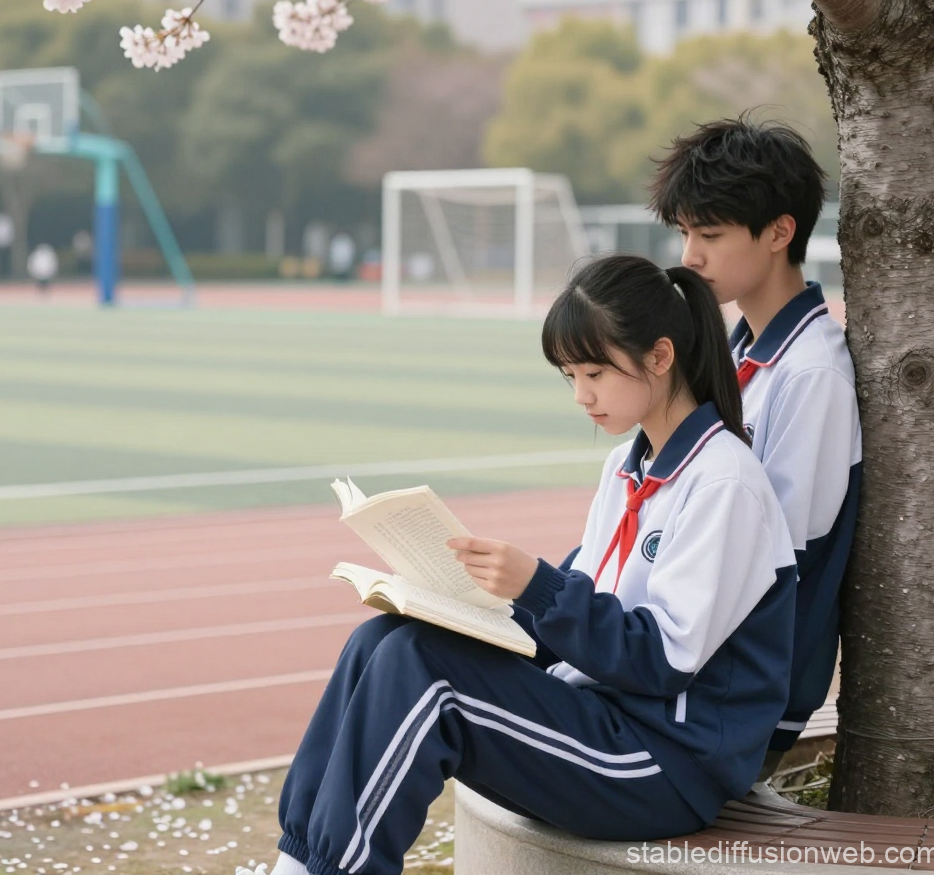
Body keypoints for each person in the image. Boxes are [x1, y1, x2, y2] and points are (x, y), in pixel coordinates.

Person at [267, 255, 796, 875]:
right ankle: (299, 863)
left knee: (423, 672)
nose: (581, 395)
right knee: (383, 639)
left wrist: (539, 588)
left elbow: (662, 659)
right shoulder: (630, 465)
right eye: (569, 374)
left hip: (665, 764)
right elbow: (585, 606)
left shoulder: (723, 484)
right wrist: (465, 602)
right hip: (601, 720)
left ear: (659, 356)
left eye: (595, 371)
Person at [649, 117, 862, 775]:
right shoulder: (737, 351)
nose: (690, 256)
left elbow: (781, 561)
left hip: (740, 693)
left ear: (779, 232)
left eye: (710, 235)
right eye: (686, 233)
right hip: (692, 649)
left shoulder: (812, 374)